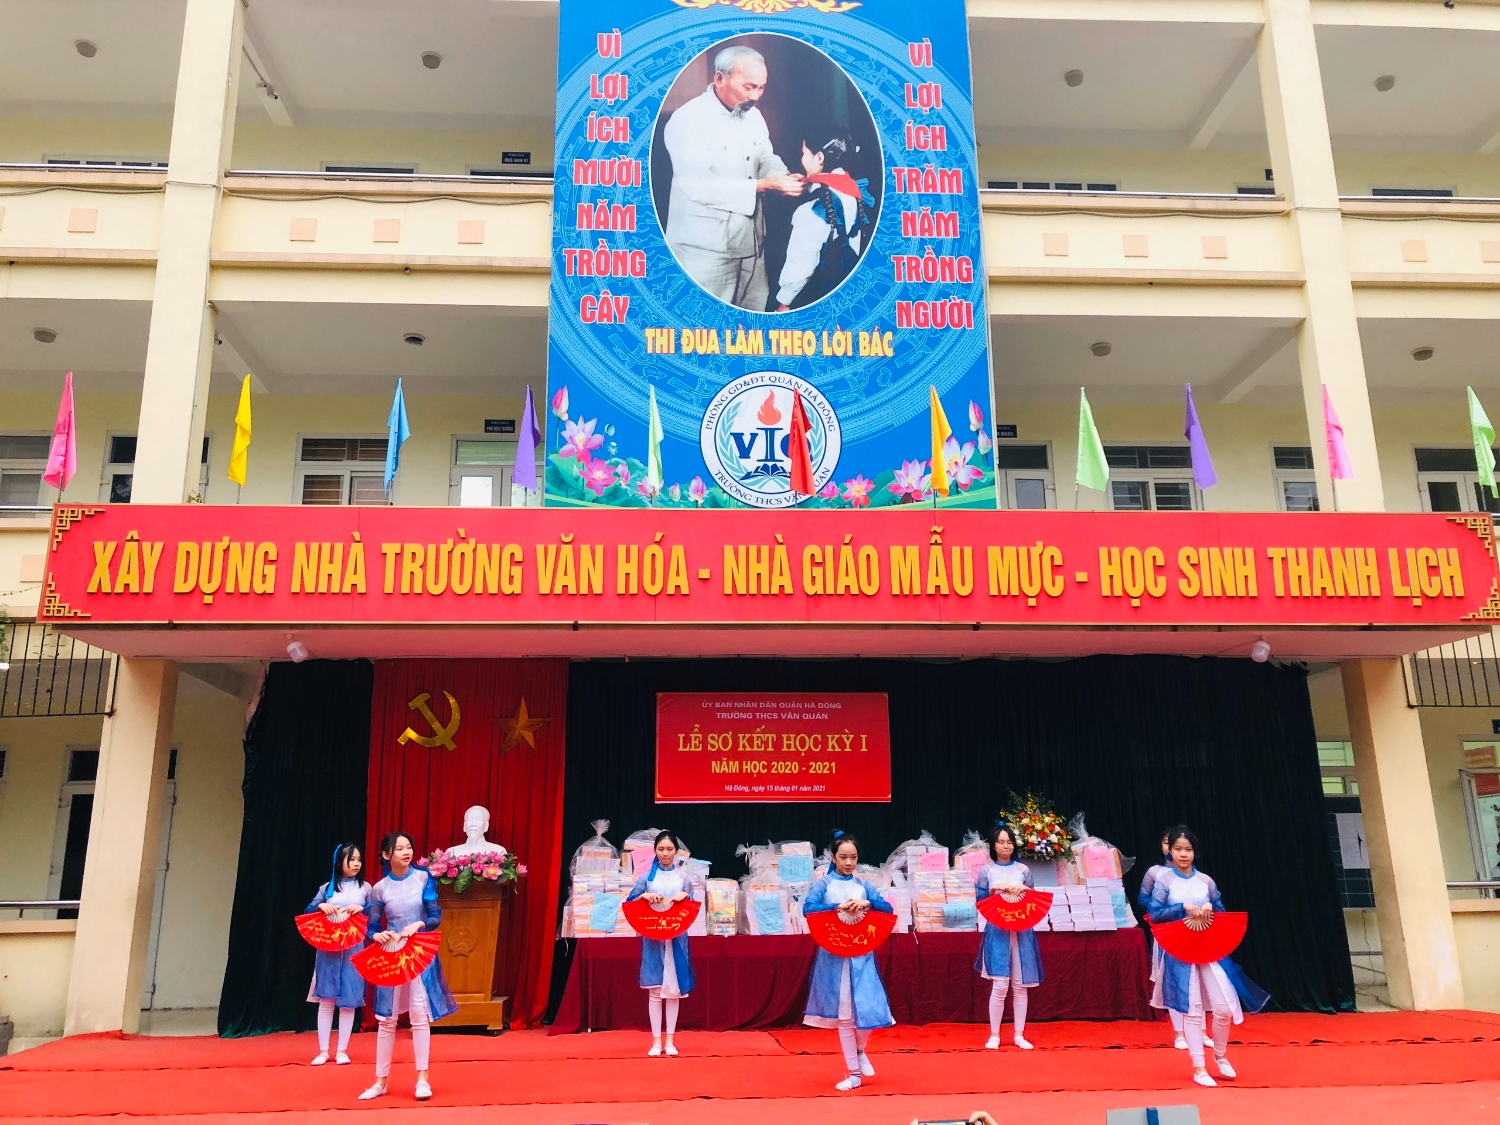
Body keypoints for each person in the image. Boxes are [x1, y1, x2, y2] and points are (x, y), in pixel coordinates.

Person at [663, 44, 804, 311]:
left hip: (751, 244)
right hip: (704, 250)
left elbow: (765, 157)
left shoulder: (753, 116)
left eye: (761, 87)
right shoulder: (688, 119)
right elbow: (696, 185)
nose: (756, 96)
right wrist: (764, 185)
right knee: (705, 323)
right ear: (720, 78)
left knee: (750, 320)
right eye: (749, 87)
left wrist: (782, 177)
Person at [1148, 825, 1269, 1088]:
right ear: (1170, 852)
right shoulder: (1164, 882)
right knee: (1192, 1010)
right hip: (1180, 949)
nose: (1183, 854)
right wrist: (1182, 908)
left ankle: (1220, 1055)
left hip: (1208, 947)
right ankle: (1199, 1068)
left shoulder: (1206, 881)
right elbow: (1154, 915)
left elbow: (1221, 911)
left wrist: (1209, 906)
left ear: (1195, 852)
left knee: (1223, 1007)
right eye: (1178, 849)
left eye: (1188, 849)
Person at [358, 831, 457, 1103]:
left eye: (409, 847)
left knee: (418, 1014)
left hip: (418, 949)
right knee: (387, 1019)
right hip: (392, 951)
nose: (406, 852)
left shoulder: (423, 878)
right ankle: (380, 1081)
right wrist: (377, 935)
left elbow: (435, 915)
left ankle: (423, 1079)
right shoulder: (380, 888)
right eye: (399, 848)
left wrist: (420, 924)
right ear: (386, 855)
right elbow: (372, 925)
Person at [802, 830, 895, 1091]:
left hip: (862, 954)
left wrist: (867, 903)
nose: (848, 862)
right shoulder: (824, 884)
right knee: (844, 1016)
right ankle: (853, 1073)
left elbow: (887, 909)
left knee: (868, 1007)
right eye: (843, 857)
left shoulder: (863, 886)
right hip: (834, 955)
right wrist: (836, 907)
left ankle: (860, 1049)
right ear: (833, 857)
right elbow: (808, 908)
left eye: (853, 857)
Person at [775, 126, 874, 311]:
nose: (802, 159)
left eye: (804, 153)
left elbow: (802, 262)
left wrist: (784, 302)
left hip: (818, 291)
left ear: (819, 158)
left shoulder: (813, 207)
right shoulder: (852, 189)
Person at [625, 830, 698, 1057]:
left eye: (669, 849)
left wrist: (685, 897)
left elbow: (693, 908)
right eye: (661, 849)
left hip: (676, 938)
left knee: (673, 992)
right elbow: (629, 903)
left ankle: (671, 1041)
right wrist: (643, 897)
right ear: (655, 851)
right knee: (655, 991)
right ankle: (656, 1041)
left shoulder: (683, 879)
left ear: (676, 851)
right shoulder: (646, 878)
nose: (665, 853)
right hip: (653, 938)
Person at [974, 822, 1042, 1050]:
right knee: (1000, 984)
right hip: (998, 931)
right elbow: (980, 903)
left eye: (1010, 842)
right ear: (994, 845)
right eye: (1001, 842)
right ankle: (994, 1034)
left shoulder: (1023, 871)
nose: (1006, 846)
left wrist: (1024, 890)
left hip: (1022, 931)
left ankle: (1019, 1034)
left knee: (1020, 985)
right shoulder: (987, 872)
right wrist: (994, 891)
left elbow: (1034, 901)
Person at [1139, 827, 1207, 1053]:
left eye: (1186, 848)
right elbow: (1144, 900)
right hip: (1169, 931)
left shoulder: (1198, 878)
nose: (1179, 851)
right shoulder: (1156, 873)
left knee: (1198, 981)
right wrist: (1167, 906)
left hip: (1195, 932)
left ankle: (1202, 1032)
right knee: (1173, 981)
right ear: (1164, 847)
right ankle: (1179, 1033)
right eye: (1169, 844)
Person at [305, 842, 370, 1066]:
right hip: (329, 949)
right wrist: (321, 907)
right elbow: (308, 911)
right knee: (326, 999)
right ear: (339, 861)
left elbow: (374, 914)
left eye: (359, 860)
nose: (356, 864)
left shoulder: (365, 888)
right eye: (351, 860)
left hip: (354, 948)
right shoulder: (327, 889)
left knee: (348, 1001)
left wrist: (363, 908)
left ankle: (342, 1050)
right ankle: (323, 1051)